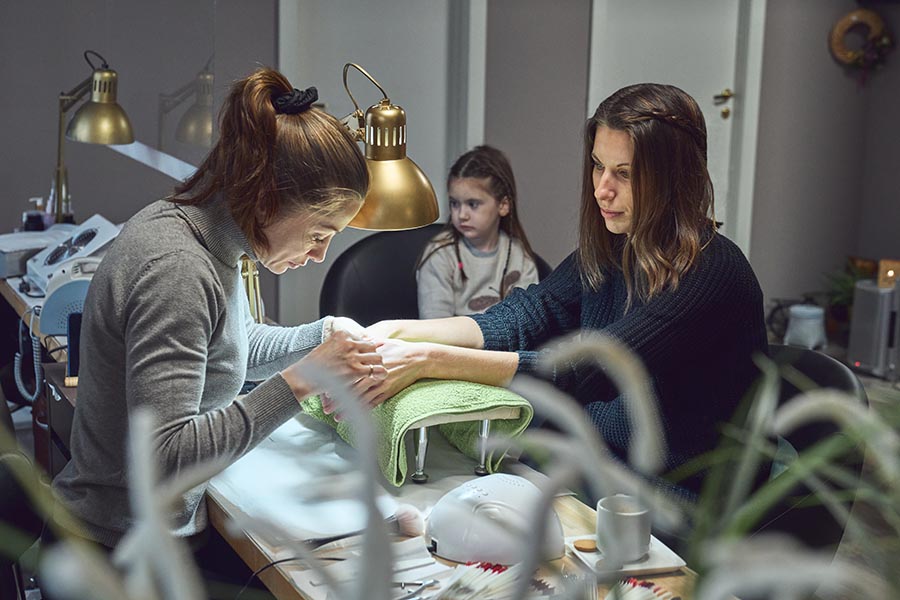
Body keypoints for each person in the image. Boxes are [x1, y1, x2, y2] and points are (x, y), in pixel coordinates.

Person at [48, 67, 385, 587]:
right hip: (118, 554)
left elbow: (231, 345)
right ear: (270, 199)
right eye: (320, 234)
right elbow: (164, 462)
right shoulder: (179, 268)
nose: (321, 256)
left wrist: (323, 335)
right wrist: (301, 381)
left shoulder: (201, 235)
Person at [364, 83, 768, 488]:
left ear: (674, 178)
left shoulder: (715, 272)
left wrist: (428, 360)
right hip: (601, 458)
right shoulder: (617, 248)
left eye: (624, 174)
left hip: (682, 493)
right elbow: (529, 313)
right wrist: (394, 332)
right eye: (598, 166)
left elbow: (586, 371)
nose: (601, 190)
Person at [416, 145, 539, 318]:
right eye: (454, 203)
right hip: (452, 344)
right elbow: (434, 324)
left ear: (503, 205)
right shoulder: (440, 255)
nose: (461, 215)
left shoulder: (519, 256)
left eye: (472, 204)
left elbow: (529, 319)